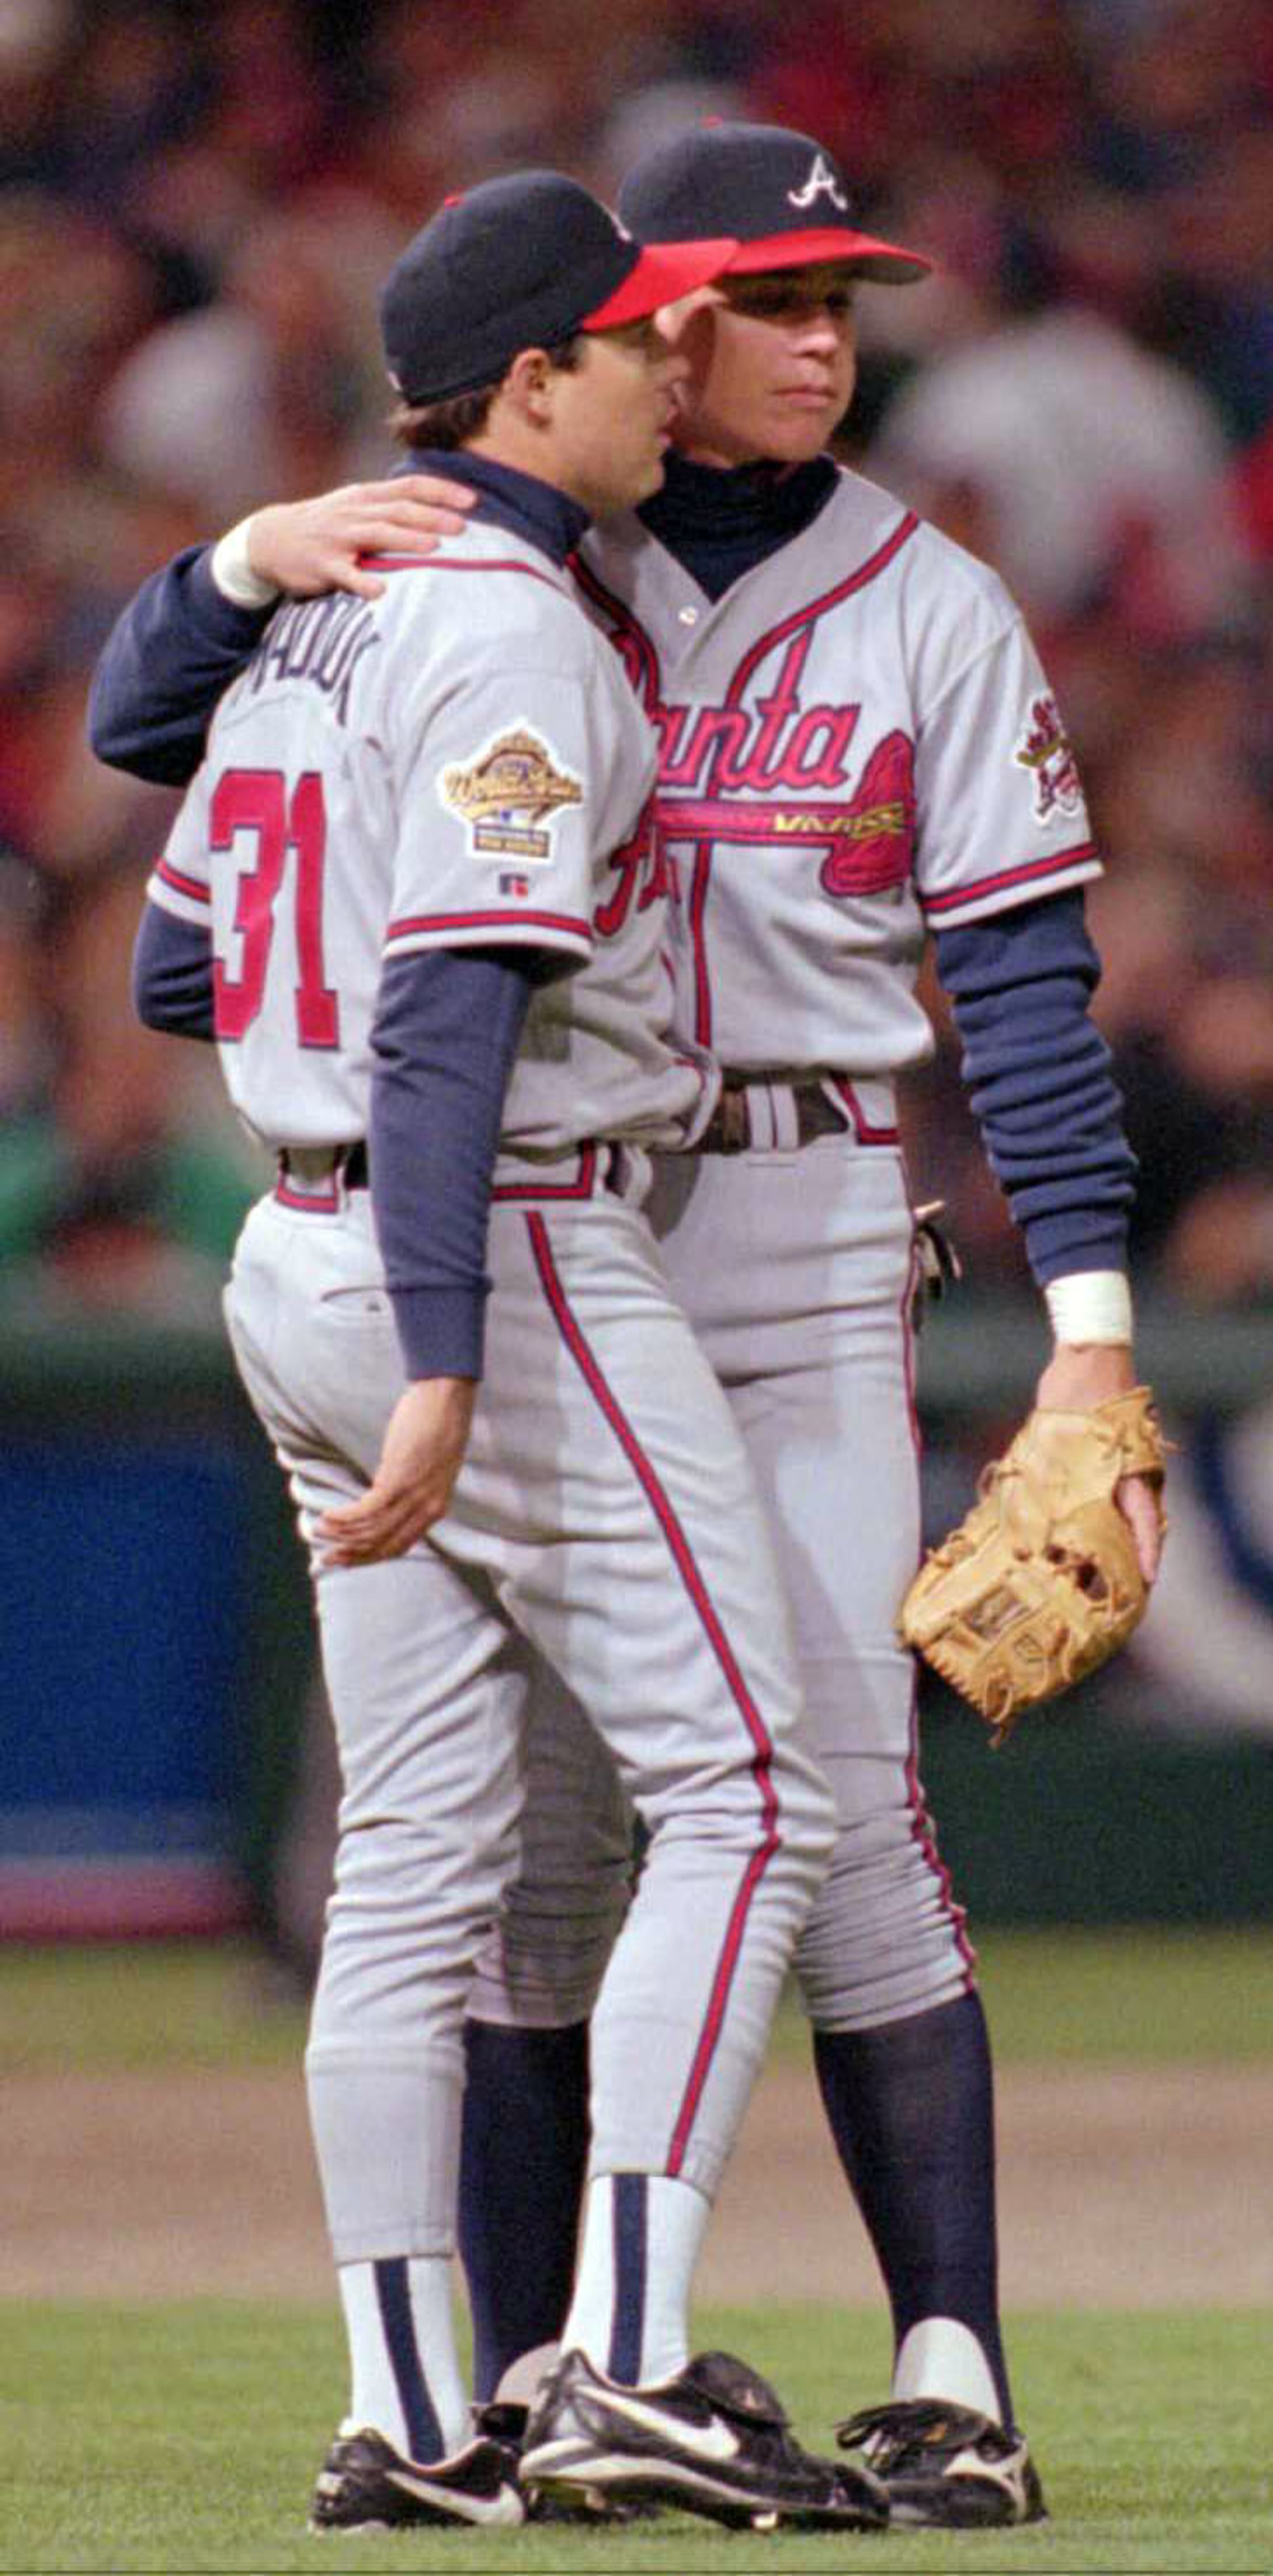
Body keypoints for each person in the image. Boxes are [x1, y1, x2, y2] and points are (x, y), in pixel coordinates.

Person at [91, 121, 1163, 2532]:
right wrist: (240, 557)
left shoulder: (920, 601)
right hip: (527, 1234)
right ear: (635, 339)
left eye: (840, 302)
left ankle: (931, 2365)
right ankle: (565, 2379)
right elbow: (171, 731)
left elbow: (1022, 991)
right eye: (768, 302)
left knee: (832, 1811)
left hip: (767, 1206)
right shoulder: (490, 578)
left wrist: (1090, 1328)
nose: (820, 340)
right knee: (540, 1857)